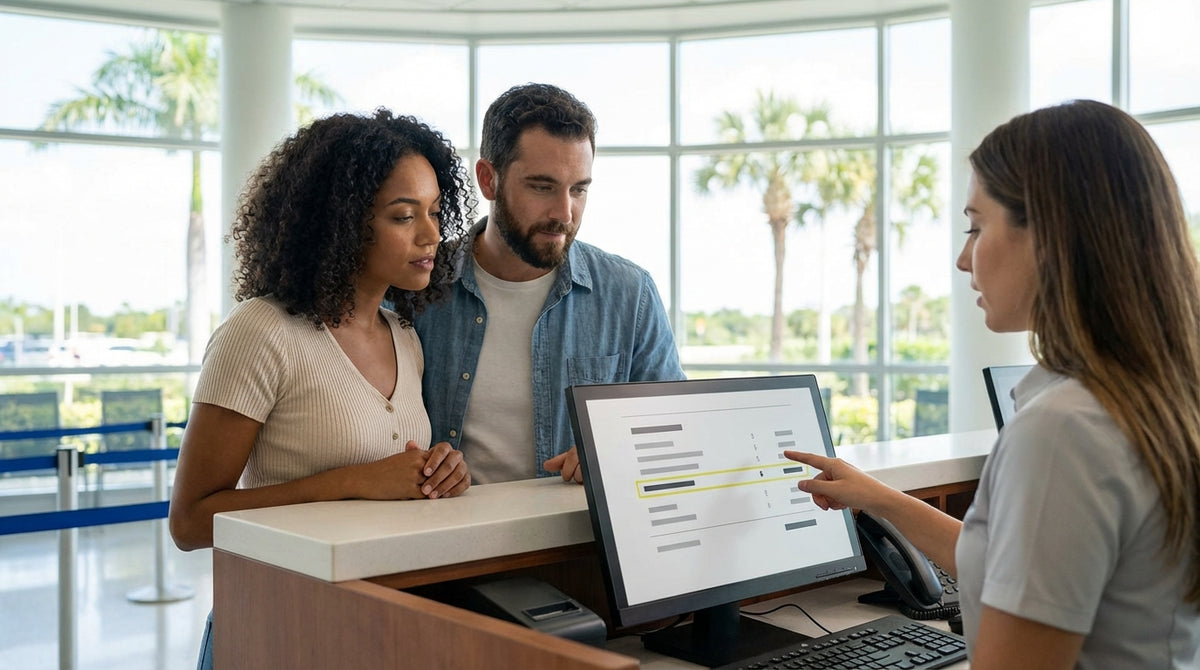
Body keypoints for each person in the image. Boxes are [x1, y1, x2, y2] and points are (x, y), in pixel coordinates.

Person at [787, 100, 1200, 668]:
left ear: (1051, 235)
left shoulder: (1063, 432)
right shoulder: (1152, 395)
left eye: (976, 227)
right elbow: (1019, 570)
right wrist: (880, 498)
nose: (963, 259)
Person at [168, 109, 474, 669]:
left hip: (370, 633)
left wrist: (438, 470)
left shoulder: (405, 336)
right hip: (273, 631)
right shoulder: (261, 332)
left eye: (434, 212)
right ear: (342, 222)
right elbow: (190, 522)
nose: (432, 235)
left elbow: (393, 484)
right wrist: (356, 482)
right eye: (405, 216)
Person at [414, 83, 684, 485]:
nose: (564, 212)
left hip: (577, 544)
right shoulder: (416, 287)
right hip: (446, 541)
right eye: (542, 187)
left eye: (579, 189)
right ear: (488, 180)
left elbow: (676, 431)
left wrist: (616, 449)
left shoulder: (630, 295)